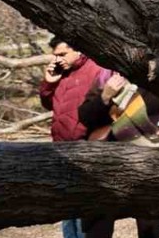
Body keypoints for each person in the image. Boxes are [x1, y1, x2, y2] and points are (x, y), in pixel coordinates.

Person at [76, 71, 159, 238]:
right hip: (108, 161)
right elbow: (85, 117)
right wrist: (104, 97)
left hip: (148, 158)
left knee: (149, 221)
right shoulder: (106, 76)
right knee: (99, 222)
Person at [39, 37, 104, 238]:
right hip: (61, 147)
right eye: (55, 56)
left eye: (62, 54)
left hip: (86, 146)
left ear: (78, 50)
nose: (58, 59)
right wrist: (49, 83)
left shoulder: (96, 69)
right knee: (67, 206)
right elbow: (49, 104)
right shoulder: (61, 72)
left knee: (85, 207)